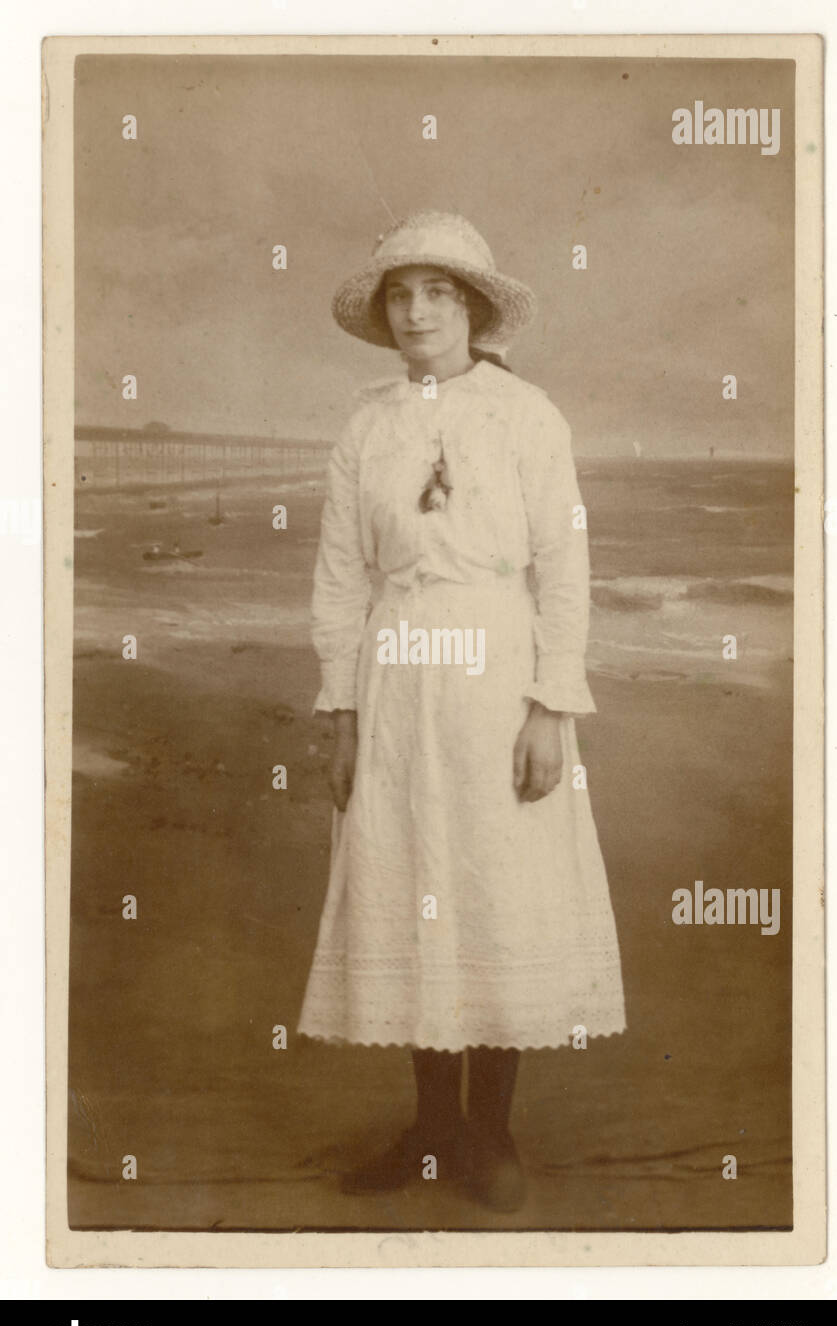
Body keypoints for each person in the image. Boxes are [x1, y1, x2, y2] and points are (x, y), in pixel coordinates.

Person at [297, 210, 626, 1211]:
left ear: (475, 309)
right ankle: (431, 1132)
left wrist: (549, 705)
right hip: (401, 681)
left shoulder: (529, 419)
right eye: (400, 293)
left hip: (496, 672)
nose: (416, 311)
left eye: (438, 292)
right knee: (412, 891)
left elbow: (564, 563)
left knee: (494, 890)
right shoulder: (367, 427)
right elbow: (340, 576)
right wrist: (345, 713)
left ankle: (490, 1134)